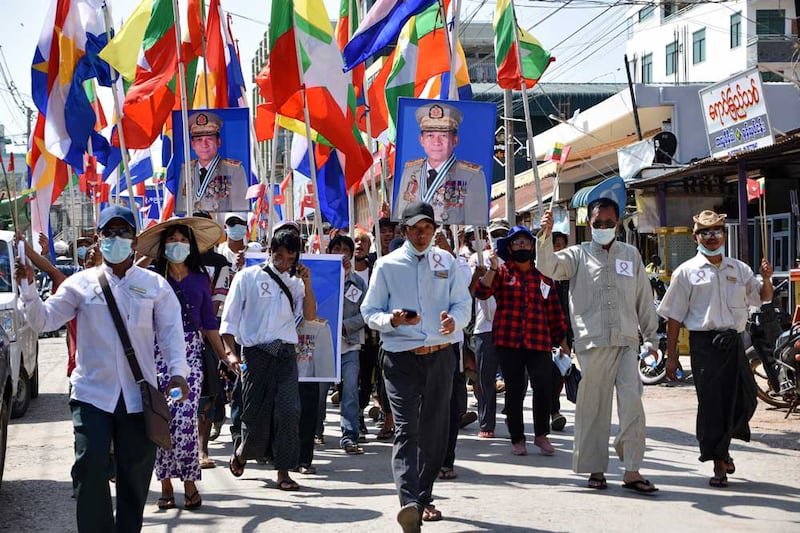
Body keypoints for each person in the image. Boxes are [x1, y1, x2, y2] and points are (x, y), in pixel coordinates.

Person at [16, 205, 189, 532]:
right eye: (109, 233)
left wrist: (178, 372)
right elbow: (43, 321)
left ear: (134, 239)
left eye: (123, 232)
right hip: (91, 395)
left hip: (140, 399)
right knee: (90, 465)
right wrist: (27, 290)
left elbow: (170, 335)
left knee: (135, 474)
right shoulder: (79, 285)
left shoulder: (155, 286)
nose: (116, 239)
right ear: (98, 239)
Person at [538, 194, 661, 494]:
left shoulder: (630, 255)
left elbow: (644, 299)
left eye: (608, 222)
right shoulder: (577, 255)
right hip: (592, 345)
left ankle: (632, 469)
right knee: (594, 409)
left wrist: (652, 338)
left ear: (617, 223)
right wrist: (543, 235)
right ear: (589, 223)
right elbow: (548, 266)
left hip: (627, 343)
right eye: (598, 223)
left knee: (633, 405)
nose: (603, 226)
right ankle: (596, 469)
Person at [361, 201, 471, 531]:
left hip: (440, 356)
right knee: (407, 429)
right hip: (400, 357)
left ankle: (422, 496)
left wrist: (457, 320)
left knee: (435, 432)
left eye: (427, 228)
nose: (422, 234)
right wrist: (390, 319)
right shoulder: (387, 265)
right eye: (415, 229)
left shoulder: (447, 261)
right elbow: (370, 312)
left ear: (434, 230)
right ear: (405, 231)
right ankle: (408, 502)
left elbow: (462, 303)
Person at [657, 210, 770, 488]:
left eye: (716, 231)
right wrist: (672, 358)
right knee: (712, 406)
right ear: (696, 237)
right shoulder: (686, 272)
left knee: (746, 399)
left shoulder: (739, 269)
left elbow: (762, 298)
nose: (711, 237)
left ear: (724, 234)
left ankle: (722, 447)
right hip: (705, 346)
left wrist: (766, 278)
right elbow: (673, 317)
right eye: (705, 232)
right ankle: (719, 461)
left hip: (734, 344)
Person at [135, 217, 228, 510]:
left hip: (189, 354)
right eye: (171, 240)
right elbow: (123, 285)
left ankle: (189, 483)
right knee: (162, 418)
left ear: (191, 245)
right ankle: (164, 484)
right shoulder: (150, 277)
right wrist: (143, 257)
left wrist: (226, 354)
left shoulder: (202, 279)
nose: (177, 245)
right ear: (164, 246)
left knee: (184, 418)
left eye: (183, 240)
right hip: (156, 352)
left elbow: (209, 323)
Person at [221, 229, 317, 491]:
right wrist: (229, 353)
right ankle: (242, 453)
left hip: (285, 354)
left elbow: (309, 316)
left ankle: (283, 471)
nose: (283, 261)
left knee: (288, 411)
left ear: (297, 256)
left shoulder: (297, 283)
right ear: (269, 252)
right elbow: (228, 320)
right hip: (255, 354)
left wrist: (308, 284)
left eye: (289, 256)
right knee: (255, 416)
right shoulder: (247, 277)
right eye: (278, 255)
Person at [475, 226, 568, 456]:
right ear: (509, 247)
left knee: (543, 388)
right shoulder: (502, 272)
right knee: (514, 390)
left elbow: (555, 311)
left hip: (539, 341)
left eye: (526, 242)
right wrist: (491, 269)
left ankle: (541, 435)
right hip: (509, 341)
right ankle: (517, 438)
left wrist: (563, 340)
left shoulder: (543, 277)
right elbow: (481, 292)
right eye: (517, 243)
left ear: (533, 247)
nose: (522, 246)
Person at [394, 103, 488, 226]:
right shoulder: (411, 171)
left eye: (443, 136)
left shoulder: (471, 176)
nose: (436, 142)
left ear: (455, 140)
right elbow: (399, 217)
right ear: (421, 140)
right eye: (430, 136)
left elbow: (476, 226)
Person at [468, 219, 510, 439]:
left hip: (511, 328)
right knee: (485, 379)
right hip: (485, 327)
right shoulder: (477, 259)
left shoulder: (514, 261)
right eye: (496, 234)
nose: (499, 238)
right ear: (488, 238)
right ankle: (486, 423)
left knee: (515, 378)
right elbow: (471, 290)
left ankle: (513, 416)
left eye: (504, 233)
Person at [328, 235, 368, 455]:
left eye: (346, 249)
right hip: (324, 346)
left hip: (349, 345)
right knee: (318, 391)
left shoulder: (358, 283)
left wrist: (345, 326)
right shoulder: (319, 277)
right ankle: (315, 431)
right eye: (337, 248)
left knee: (351, 390)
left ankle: (349, 435)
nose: (341, 253)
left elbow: (366, 313)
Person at [176, 111, 249, 217]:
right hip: (192, 230)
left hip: (220, 231)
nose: (204, 144)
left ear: (218, 141)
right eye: (199, 140)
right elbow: (180, 209)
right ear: (192, 144)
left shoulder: (234, 170)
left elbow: (241, 210)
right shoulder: (185, 171)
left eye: (209, 139)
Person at [550, 231, 574, 432]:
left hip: (569, 329)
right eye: (554, 245)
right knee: (547, 373)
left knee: (561, 371)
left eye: (560, 245)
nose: (558, 250)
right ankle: (551, 411)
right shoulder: (542, 274)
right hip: (546, 331)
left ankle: (554, 410)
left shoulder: (572, 275)